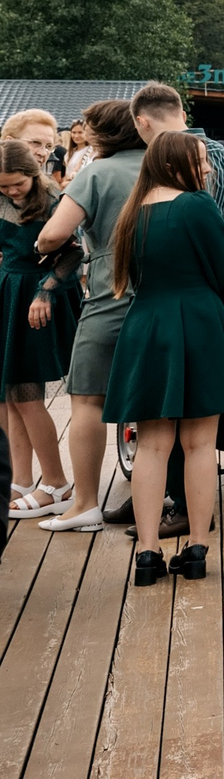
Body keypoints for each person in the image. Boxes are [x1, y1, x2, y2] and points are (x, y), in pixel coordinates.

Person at [33, 91, 207, 533]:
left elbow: (54, 234)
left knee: (87, 397)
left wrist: (41, 247)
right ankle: (168, 499)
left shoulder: (97, 172)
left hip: (111, 294)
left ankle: (86, 503)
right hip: (166, 298)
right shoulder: (167, 167)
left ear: (107, 134)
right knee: (165, 405)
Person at [104, 132, 224, 585]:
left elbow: (128, 277)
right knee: (199, 444)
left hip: (147, 324)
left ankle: (147, 554)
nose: (208, 169)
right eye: (202, 161)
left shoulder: (133, 211)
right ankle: (197, 550)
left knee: (151, 445)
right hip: (197, 323)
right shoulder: (196, 206)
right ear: (176, 165)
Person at [0, 138, 78, 519]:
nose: (12, 191)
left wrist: (46, 292)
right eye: (4, 186)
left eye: (18, 183)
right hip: (7, 293)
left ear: (33, 173)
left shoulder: (53, 200)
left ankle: (57, 482)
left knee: (27, 394)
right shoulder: (1, 198)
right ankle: (21, 478)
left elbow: (74, 253)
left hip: (37, 297)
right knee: (11, 395)